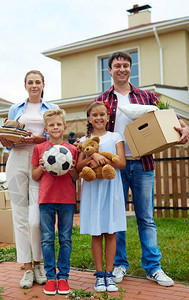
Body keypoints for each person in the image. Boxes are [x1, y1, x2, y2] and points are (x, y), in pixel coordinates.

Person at [95, 51, 189, 287]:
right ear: (110, 70)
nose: (122, 69)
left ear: (130, 68)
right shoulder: (103, 99)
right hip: (115, 166)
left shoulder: (146, 96)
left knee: (146, 217)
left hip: (143, 163)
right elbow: (94, 127)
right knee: (117, 218)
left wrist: (185, 127)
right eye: (117, 65)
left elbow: (172, 118)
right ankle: (119, 264)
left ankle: (153, 267)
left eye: (126, 65)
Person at [0, 70, 58, 289]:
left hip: (39, 163)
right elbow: (8, 140)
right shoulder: (16, 109)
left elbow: (56, 136)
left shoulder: (51, 109)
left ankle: (38, 264)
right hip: (16, 161)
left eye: (37, 82)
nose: (34, 85)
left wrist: (40, 138)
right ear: (25, 86)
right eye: (30, 82)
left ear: (43, 85)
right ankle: (27, 269)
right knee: (20, 217)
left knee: (35, 220)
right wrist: (7, 140)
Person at [76, 102, 127, 293]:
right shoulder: (85, 140)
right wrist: (92, 158)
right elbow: (79, 167)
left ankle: (109, 274)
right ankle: (99, 276)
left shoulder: (116, 137)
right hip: (93, 190)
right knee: (96, 232)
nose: (99, 118)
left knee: (111, 231)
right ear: (89, 118)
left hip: (110, 188)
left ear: (108, 117)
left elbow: (121, 162)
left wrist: (103, 159)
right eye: (95, 115)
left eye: (102, 114)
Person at [31, 108, 79, 295]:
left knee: (65, 239)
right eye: (51, 125)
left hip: (67, 199)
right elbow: (34, 176)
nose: (55, 127)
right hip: (46, 199)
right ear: (46, 128)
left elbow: (76, 176)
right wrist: (43, 167)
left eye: (59, 124)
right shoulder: (39, 149)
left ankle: (64, 277)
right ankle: (51, 277)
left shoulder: (72, 150)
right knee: (48, 238)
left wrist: (72, 168)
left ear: (65, 126)